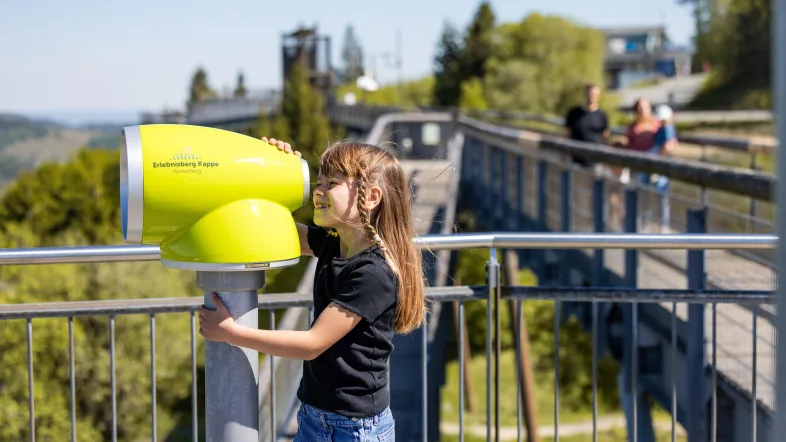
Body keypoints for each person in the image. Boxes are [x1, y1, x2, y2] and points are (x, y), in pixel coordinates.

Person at [198, 136, 428, 441]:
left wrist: (231, 332)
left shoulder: (373, 272)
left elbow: (312, 343)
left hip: (354, 430)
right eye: (318, 182)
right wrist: (274, 171)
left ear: (371, 197)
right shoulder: (335, 246)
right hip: (314, 416)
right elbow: (269, 224)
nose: (318, 191)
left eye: (332, 182)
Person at [564, 83, 610, 166]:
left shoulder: (602, 115)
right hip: (576, 158)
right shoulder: (573, 113)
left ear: (598, 96)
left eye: (594, 95)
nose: (591, 97)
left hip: (595, 159)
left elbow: (606, 136)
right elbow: (568, 134)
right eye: (590, 94)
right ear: (585, 95)